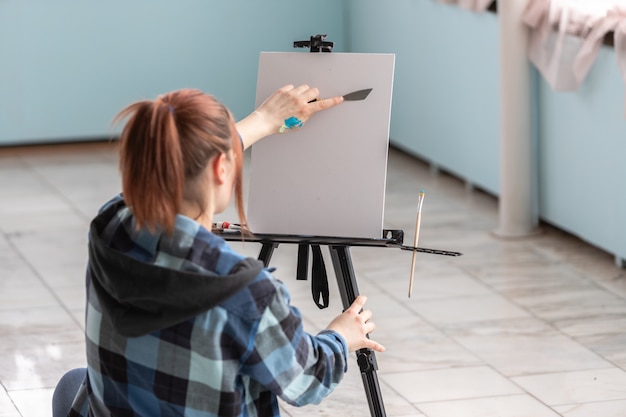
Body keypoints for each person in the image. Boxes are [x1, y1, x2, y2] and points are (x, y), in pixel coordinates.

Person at [53, 85, 385, 417]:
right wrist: (341, 336)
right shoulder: (245, 293)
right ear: (220, 168)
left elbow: (173, 168)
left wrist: (265, 119)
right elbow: (307, 380)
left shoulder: (110, 225)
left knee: (73, 384)